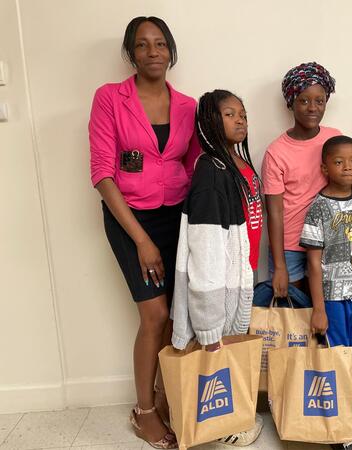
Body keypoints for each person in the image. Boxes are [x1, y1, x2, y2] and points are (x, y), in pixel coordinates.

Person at [89, 16, 200, 449]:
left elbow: (194, 166)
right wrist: (141, 240)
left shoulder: (189, 105)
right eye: (142, 45)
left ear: (171, 51)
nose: (152, 52)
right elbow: (102, 173)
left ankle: (165, 395)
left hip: (178, 217)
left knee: (177, 316)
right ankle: (145, 412)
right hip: (129, 218)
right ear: (130, 54)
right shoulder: (109, 99)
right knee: (153, 316)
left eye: (160, 44)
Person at [171, 90, 263, 446]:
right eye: (229, 114)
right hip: (220, 288)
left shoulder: (237, 164)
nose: (240, 119)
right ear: (210, 120)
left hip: (239, 278)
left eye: (242, 113)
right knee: (218, 358)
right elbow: (206, 253)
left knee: (233, 354)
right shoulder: (211, 171)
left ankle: (233, 416)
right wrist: (208, 324)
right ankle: (225, 424)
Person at [261, 62, 352, 300]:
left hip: (330, 242)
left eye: (320, 101)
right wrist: (279, 266)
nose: (312, 108)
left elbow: (344, 180)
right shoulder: (276, 152)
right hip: (291, 247)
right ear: (291, 102)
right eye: (304, 100)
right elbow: (274, 212)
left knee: (323, 314)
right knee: (294, 318)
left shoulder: (334, 137)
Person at [300, 135, 352, 450]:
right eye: (338, 162)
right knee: (338, 358)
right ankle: (343, 429)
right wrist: (318, 308)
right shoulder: (318, 208)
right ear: (324, 167)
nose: (347, 167)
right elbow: (314, 265)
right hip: (332, 298)